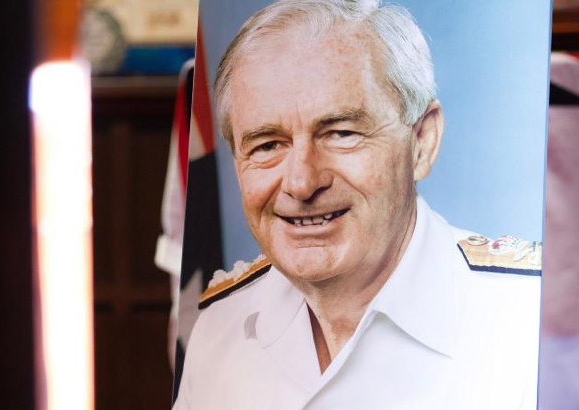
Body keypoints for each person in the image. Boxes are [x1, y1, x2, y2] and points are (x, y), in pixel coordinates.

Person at [173, 1, 542, 409]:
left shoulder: (524, 322)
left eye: (341, 133)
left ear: (422, 141)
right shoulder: (219, 331)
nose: (302, 182)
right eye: (268, 145)